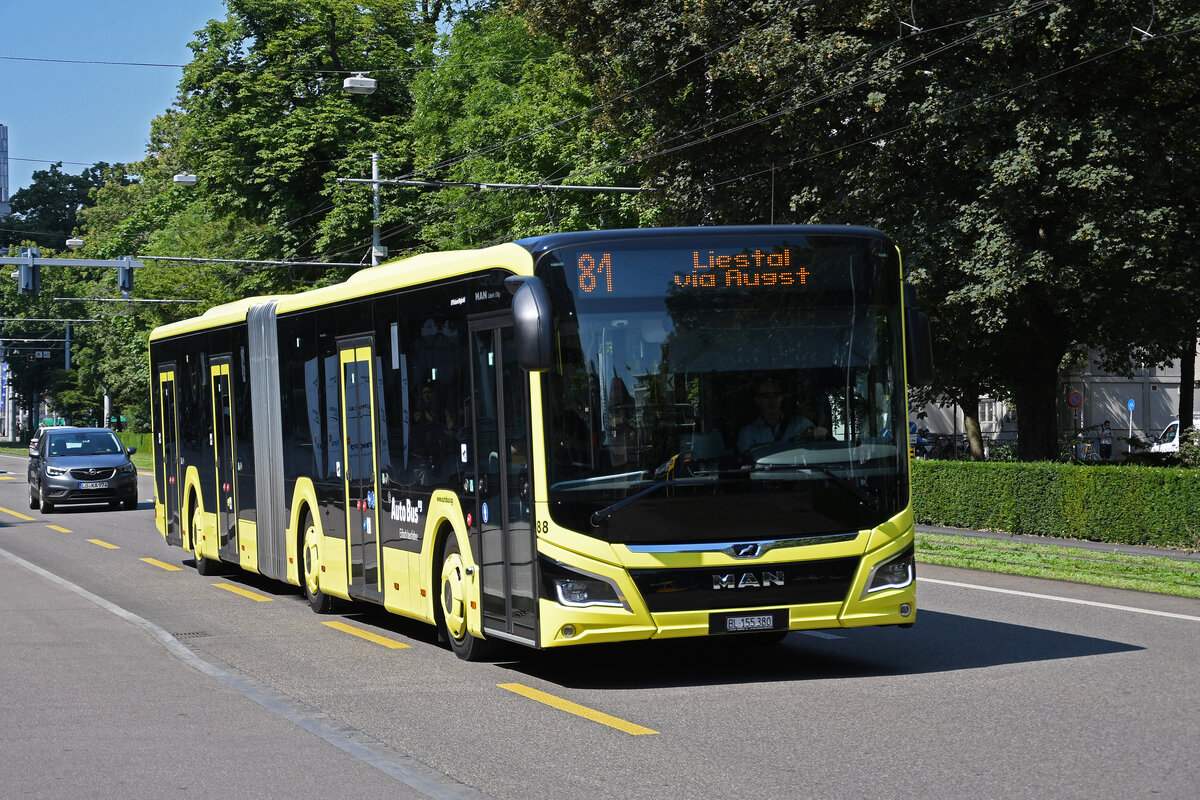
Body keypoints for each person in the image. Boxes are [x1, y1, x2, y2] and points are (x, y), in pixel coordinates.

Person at [737, 378, 826, 457]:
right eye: (766, 396)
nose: (772, 400)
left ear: (782, 398)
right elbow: (750, 462)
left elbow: (814, 439)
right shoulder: (748, 433)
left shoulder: (799, 424)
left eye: (776, 395)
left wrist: (817, 433)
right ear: (757, 400)